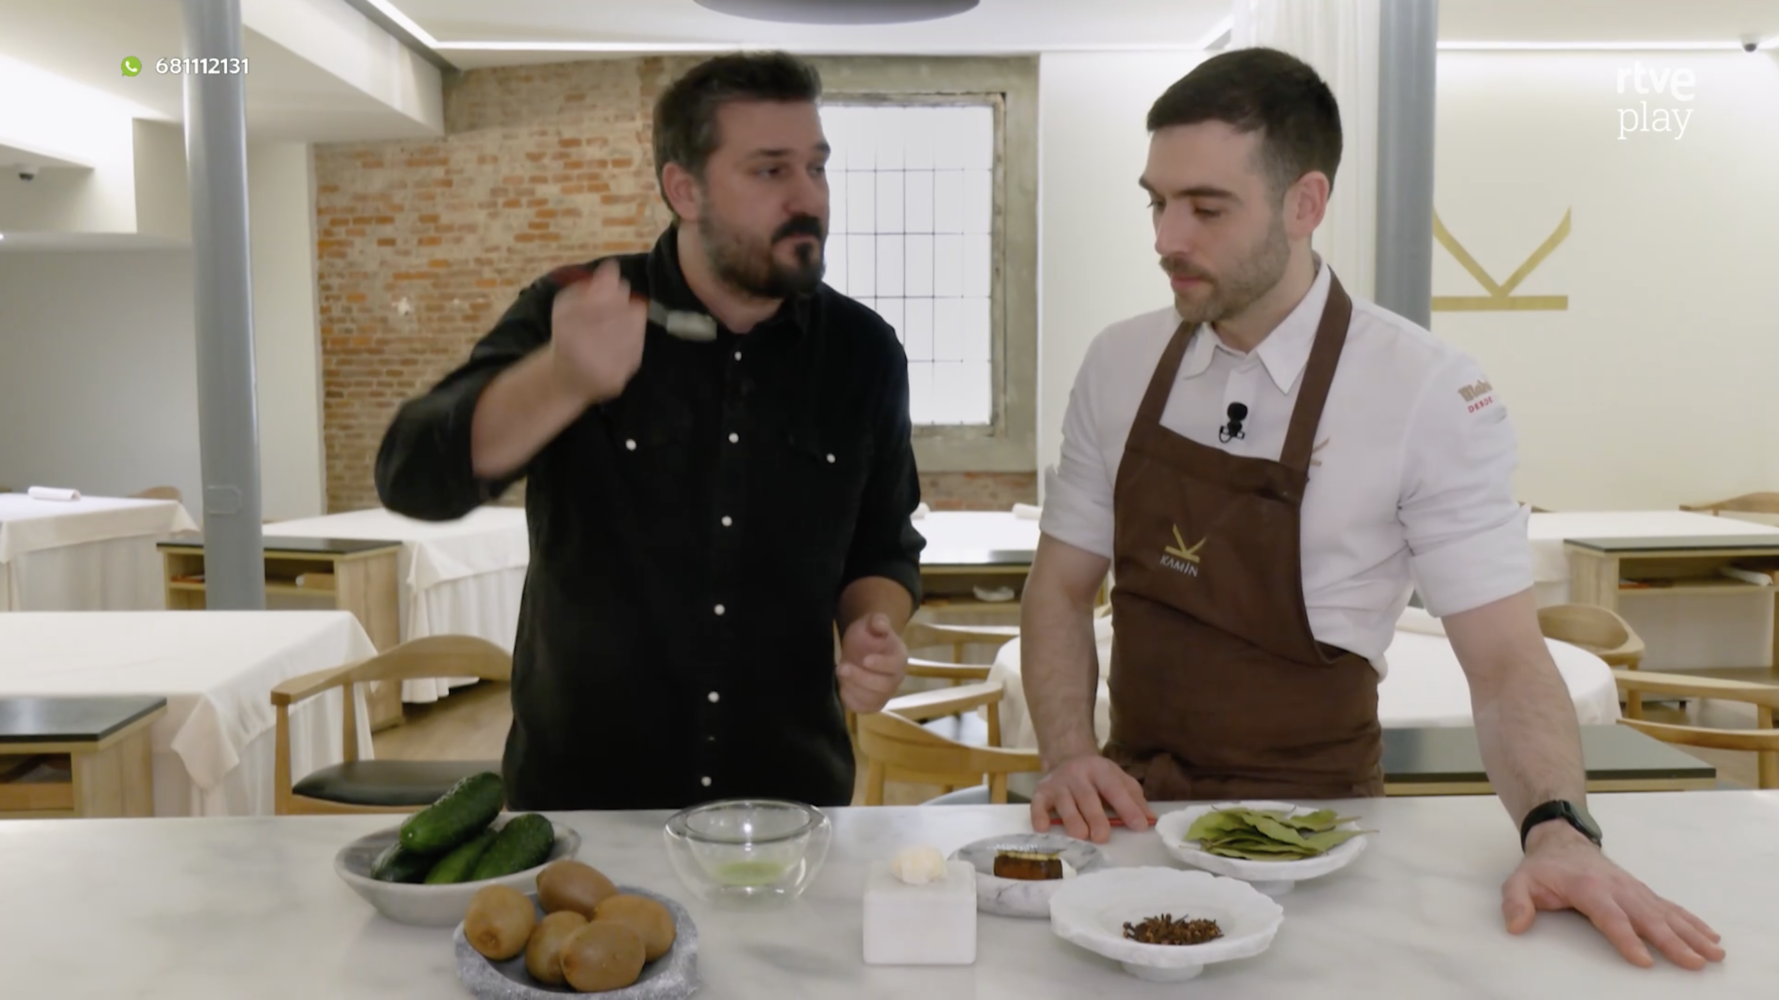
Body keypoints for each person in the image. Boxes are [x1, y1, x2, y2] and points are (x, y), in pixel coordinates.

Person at [1021, 47, 1724, 971]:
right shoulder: (1117, 364)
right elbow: (1059, 589)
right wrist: (1069, 755)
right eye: (1156, 201)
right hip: (1130, 817)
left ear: (1305, 204)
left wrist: (1558, 830)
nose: (1165, 237)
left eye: (1205, 207)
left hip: (1320, 833)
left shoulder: (1425, 392)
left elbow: (1508, 664)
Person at [374, 51, 923, 812]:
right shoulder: (576, 308)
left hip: (785, 801)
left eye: (817, 168)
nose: (809, 198)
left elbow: (883, 544)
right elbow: (410, 476)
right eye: (770, 171)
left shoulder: (863, 352)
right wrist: (560, 379)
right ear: (683, 188)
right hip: (583, 799)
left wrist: (872, 626)